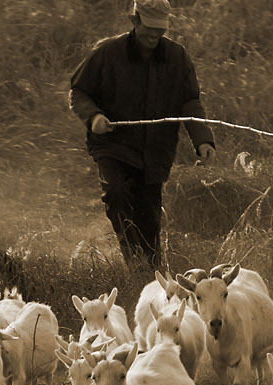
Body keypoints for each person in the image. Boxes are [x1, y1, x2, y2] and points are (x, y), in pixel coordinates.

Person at [69, 0, 216, 269]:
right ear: (134, 21)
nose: (153, 36)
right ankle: (132, 257)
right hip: (112, 145)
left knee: (149, 217)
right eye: (148, 28)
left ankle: (153, 273)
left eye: (159, 31)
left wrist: (203, 139)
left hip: (155, 152)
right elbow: (79, 92)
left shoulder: (177, 57)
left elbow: (190, 102)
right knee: (117, 192)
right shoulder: (107, 52)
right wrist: (94, 117)